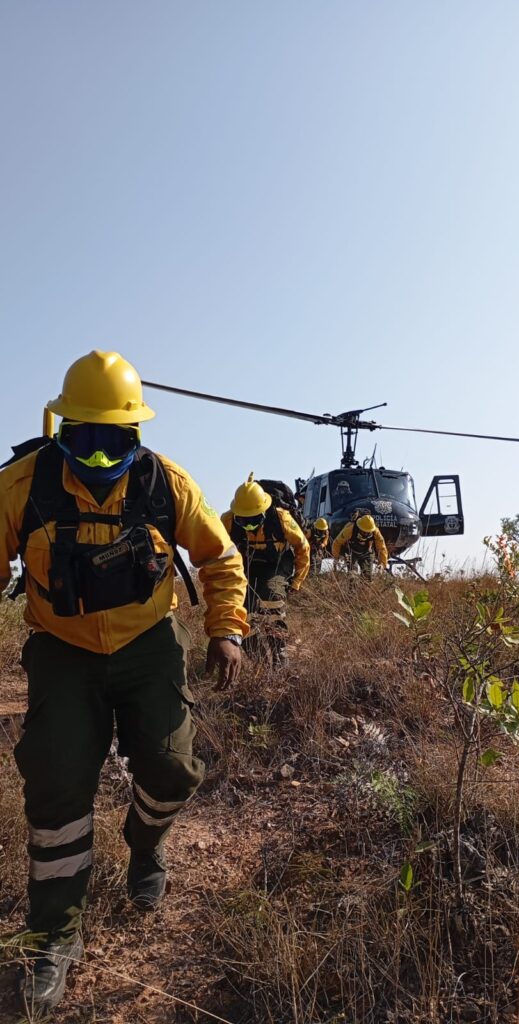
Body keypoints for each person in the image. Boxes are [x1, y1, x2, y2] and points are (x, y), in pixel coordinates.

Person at [0, 350, 248, 1016]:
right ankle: (53, 934)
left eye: (115, 440)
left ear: (135, 433)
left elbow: (221, 557)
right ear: (62, 429)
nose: (101, 456)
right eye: (86, 438)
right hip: (63, 650)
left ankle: (146, 845)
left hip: (149, 645)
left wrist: (227, 629)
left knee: (171, 768)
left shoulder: (168, 484)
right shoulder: (23, 485)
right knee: (55, 782)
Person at [221, 473, 310, 668]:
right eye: (244, 522)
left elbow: (303, 548)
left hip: (278, 564)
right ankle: (259, 660)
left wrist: (297, 581)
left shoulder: (281, 518)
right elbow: (215, 550)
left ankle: (280, 652)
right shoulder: (227, 521)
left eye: (254, 521)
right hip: (247, 567)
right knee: (242, 611)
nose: (250, 526)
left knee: (272, 599)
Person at [331, 514, 388, 578]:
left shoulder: (375, 532)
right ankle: (352, 587)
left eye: (368, 532)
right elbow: (337, 542)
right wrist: (336, 557)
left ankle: (363, 587)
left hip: (366, 553)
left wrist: (382, 564)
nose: (366, 533)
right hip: (351, 553)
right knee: (352, 575)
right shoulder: (350, 529)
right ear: (359, 527)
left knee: (367, 576)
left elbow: (382, 548)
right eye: (364, 531)